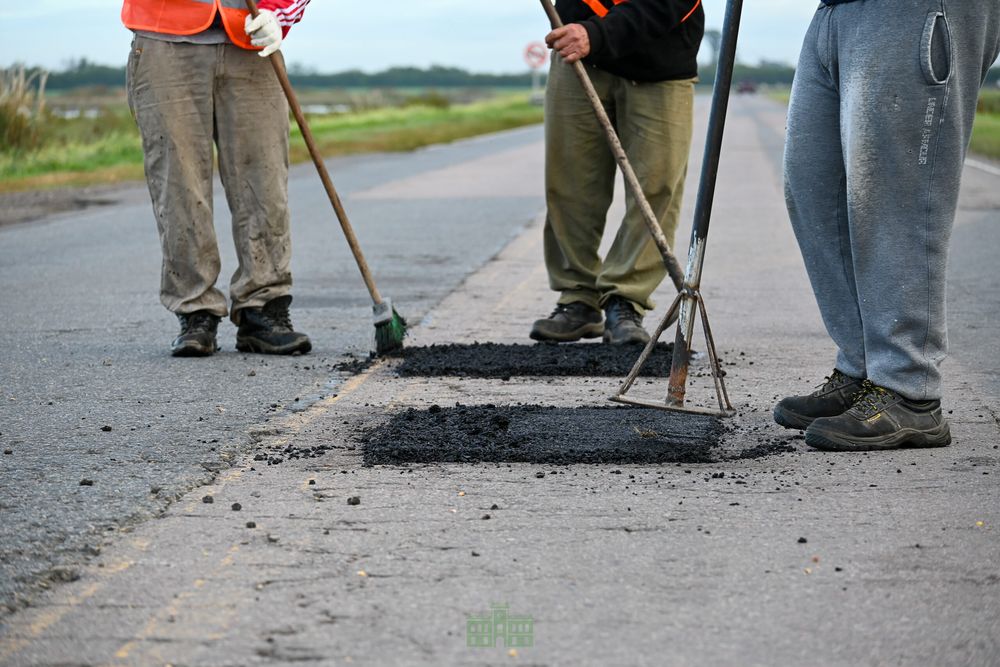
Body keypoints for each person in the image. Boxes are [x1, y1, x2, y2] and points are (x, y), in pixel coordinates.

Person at [776, 0, 1000, 450]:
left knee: (897, 197)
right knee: (813, 189)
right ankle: (864, 370)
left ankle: (909, 389)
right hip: (835, 12)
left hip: (912, 9)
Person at [122, 0, 312, 357]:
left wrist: (279, 12)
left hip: (252, 37)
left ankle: (265, 309)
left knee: (265, 182)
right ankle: (197, 312)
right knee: (179, 184)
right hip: (166, 39)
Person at [529, 0, 704, 345]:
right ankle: (577, 298)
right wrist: (588, 34)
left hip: (660, 61)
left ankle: (626, 299)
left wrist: (597, 33)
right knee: (570, 186)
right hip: (576, 56)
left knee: (655, 188)